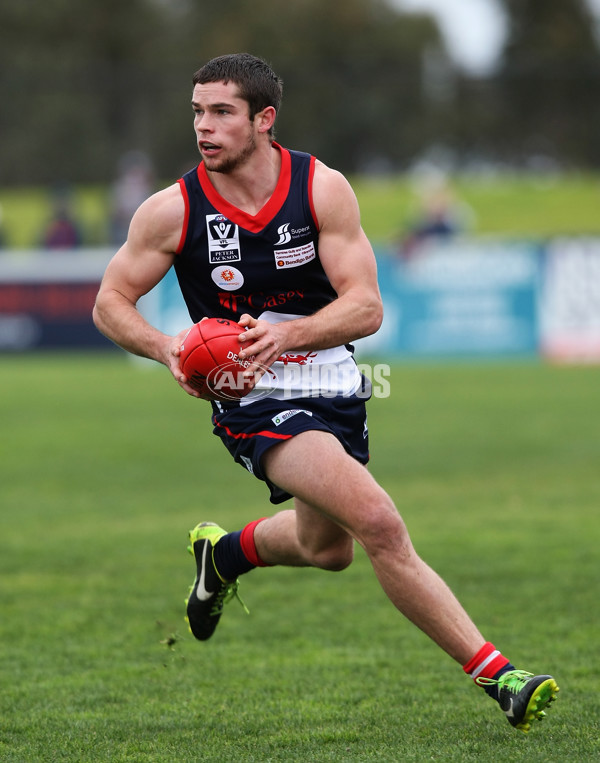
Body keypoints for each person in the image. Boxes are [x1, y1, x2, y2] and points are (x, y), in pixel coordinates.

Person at [93, 53, 559, 734]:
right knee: (378, 522)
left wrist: (290, 337)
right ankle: (501, 676)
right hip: (253, 401)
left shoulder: (321, 189)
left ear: (264, 119)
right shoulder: (173, 210)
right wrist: (168, 348)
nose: (204, 126)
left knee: (327, 547)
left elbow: (367, 307)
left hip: (332, 382)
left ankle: (223, 555)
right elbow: (110, 300)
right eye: (198, 111)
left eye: (222, 112)